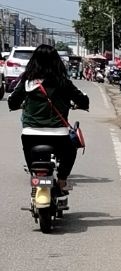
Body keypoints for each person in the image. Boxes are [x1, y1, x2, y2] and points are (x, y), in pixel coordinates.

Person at [8, 43, 90, 191]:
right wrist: (81, 104)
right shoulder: (62, 82)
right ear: (57, 62)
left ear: (33, 61)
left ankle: (35, 177)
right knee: (71, 150)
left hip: (30, 134)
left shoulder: (27, 81)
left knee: (31, 161)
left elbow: (12, 101)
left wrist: (21, 105)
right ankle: (62, 181)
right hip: (58, 135)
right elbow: (83, 100)